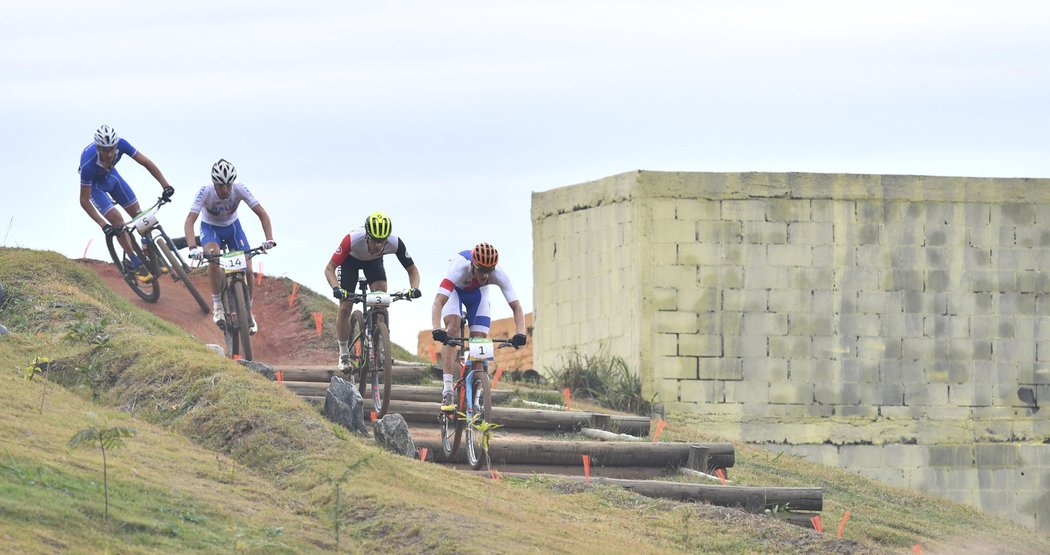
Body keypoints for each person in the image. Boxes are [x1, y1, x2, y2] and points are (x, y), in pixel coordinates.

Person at [431, 243, 527, 410]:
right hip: (456, 292)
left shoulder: (497, 274)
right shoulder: (459, 268)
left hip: (479, 295)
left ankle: (475, 399)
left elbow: (517, 307)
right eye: (481, 270)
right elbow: (438, 301)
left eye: (489, 271)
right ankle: (447, 390)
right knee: (452, 328)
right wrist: (436, 328)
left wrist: (521, 333)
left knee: (480, 340)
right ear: (473, 265)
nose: (485, 275)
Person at [184, 159, 276, 333]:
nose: (225, 190)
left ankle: (248, 312)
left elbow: (262, 213)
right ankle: (218, 305)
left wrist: (269, 239)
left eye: (228, 185)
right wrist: (192, 248)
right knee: (213, 258)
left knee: (248, 269)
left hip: (233, 228)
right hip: (210, 229)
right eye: (220, 186)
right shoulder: (205, 191)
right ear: (214, 183)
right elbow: (189, 221)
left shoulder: (239, 188)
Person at [324, 212, 422, 372]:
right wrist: (336, 289)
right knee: (345, 308)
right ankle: (343, 354)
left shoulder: (395, 243)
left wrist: (414, 289)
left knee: (382, 300)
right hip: (350, 261)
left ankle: (379, 342)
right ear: (366, 236)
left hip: (374, 263)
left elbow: (413, 271)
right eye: (375, 241)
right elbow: (329, 269)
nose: (378, 245)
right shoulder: (352, 240)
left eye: (382, 241)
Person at [78, 124, 175, 283]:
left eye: (111, 149)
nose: (109, 154)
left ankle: (148, 247)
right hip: (95, 186)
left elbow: (146, 162)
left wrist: (166, 185)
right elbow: (84, 200)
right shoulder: (88, 164)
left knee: (140, 215)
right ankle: (135, 262)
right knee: (117, 221)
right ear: (97, 147)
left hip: (111, 177)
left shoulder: (122, 144)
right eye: (104, 150)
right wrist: (103, 225)